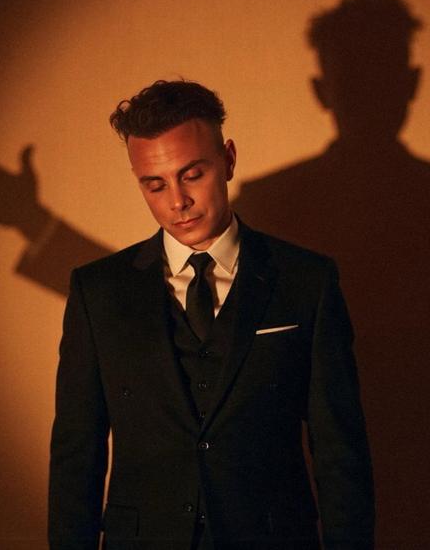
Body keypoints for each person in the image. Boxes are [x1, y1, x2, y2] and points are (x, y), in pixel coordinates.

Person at [0, 0, 430, 549]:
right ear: (324, 89)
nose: (178, 198)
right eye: (354, 78)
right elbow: (161, 290)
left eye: (381, 74)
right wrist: (37, 225)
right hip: (274, 502)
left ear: (411, 80)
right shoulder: (274, 199)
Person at [47, 80, 374, 550]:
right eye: (155, 185)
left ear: (229, 160)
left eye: (192, 175)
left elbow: (340, 450)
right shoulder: (96, 291)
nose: (177, 201)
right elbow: (76, 455)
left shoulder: (307, 281)